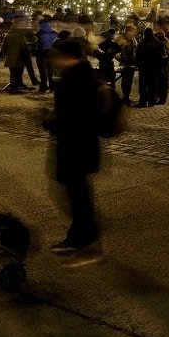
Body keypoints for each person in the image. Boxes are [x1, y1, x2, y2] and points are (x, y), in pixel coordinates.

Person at [45, 40, 103, 253]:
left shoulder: (73, 80)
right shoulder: (85, 75)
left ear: (66, 56)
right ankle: (85, 230)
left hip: (75, 145)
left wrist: (50, 122)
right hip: (83, 144)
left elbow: (73, 118)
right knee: (78, 192)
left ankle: (80, 237)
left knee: (77, 194)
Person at [135, 27, 167, 107]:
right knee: (153, 84)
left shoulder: (141, 44)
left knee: (143, 85)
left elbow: (137, 57)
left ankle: (143, 101)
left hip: (144, 67)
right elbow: (163, 56)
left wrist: (137, 65)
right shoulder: (160, 44)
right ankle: (151, 101)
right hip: (155, 67)